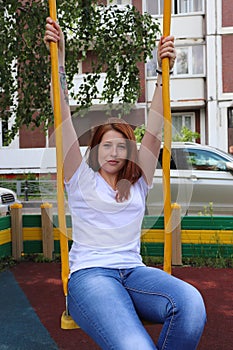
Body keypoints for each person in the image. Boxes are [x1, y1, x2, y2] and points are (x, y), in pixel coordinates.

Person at [44, 17, 206, 350]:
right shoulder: (79, 178)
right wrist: (58, 63)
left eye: (122, 145)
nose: (114, 151)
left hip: (133, 273)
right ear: (94, 151)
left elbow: (156, 128)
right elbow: (62, 118)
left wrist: (163, 73)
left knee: (191, 305)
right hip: (92, 277)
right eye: (106, 144)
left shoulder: (138, 182)